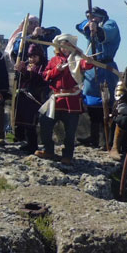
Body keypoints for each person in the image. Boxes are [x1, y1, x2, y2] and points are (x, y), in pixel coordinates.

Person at [36, 34, 91, 165]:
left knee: (70, 131)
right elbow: (45, 75)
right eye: (62, 45)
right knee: (45, 123)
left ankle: (67, 155)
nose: (64, 48)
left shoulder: (77, 58)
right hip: (56, 99)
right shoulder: (54, 60)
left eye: (67, 45)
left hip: (72, 100)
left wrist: (87, 60)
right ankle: (48, 150)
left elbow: (86, 65)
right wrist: (57, 69)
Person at [5, 15, 60, 144]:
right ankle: (19, 138)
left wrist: (43, 31)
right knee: (20, 110)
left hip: (40, 77)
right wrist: (32, 37)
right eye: (31, 23)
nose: (34, 25)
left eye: (36, 22)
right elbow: (19, 46)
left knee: (37, 113)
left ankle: (38, 141)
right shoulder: (20, 36)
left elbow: (57, 32)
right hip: (24, 76)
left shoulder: (42, 35)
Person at [75, 7, 120, 149]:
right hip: (91, 68)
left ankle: (106, 139)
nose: (91, 19)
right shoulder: (90, 24)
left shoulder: (110, 24)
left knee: (106, 103)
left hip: (106, 68)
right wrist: (89, 25)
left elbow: (109, 34)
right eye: (89, 17)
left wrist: (98, 29)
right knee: (90, 102)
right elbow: (80, 25)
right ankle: (93, 137)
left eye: (94, 17)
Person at [13, 43, 49, 154]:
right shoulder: (27, 64)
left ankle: (33, 145)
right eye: (30, 56)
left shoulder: (43, 66)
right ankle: (26, 142)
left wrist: (24, 71)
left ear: (40, 56)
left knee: (31, 123)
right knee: (22, 121)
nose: (32, 59)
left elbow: (39, 79)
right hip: (24, 97)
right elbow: (20, 80)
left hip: (35, 97)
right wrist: (19, 71)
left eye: (34, 56)